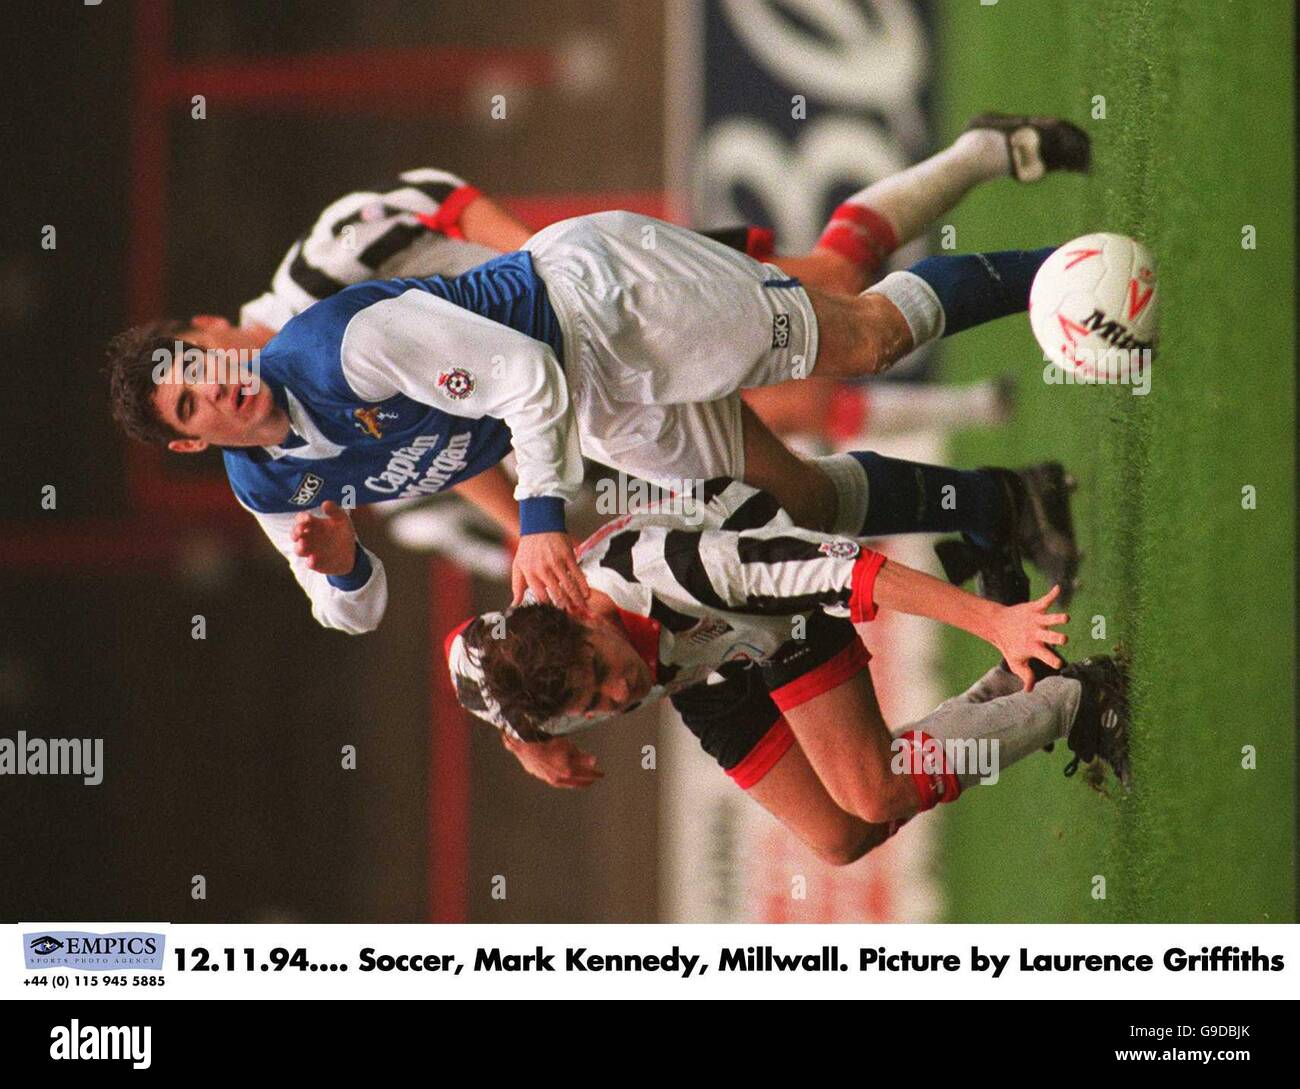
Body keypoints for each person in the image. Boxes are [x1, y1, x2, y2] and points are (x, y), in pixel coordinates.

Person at [105, 122, 1085, 629]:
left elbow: (449, 228)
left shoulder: (320, 318)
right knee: (793, 496)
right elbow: (364, 579)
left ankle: (1048, 253)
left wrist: (536, 521)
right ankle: (999, 500)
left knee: (853, 321)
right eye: (192, 401)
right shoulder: (272, 481)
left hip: (595, 301)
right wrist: (344, 560)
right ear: (192, 439)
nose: (217, 383)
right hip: (570, 397)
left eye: (201, 363)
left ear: (208, 326)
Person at [445, 479, 1129, 866]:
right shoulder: (522, 668)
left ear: (579, 611)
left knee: (876, 791)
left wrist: (994, 621)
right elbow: (470, 668)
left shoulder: (681, 569)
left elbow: (848, 571)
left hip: (768, 611)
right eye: (591, 703)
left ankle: (1080, 697)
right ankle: (1010, 695)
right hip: (705, 671)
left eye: (599, 669)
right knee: (841, 837)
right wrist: (531, 743)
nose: (619, 693)